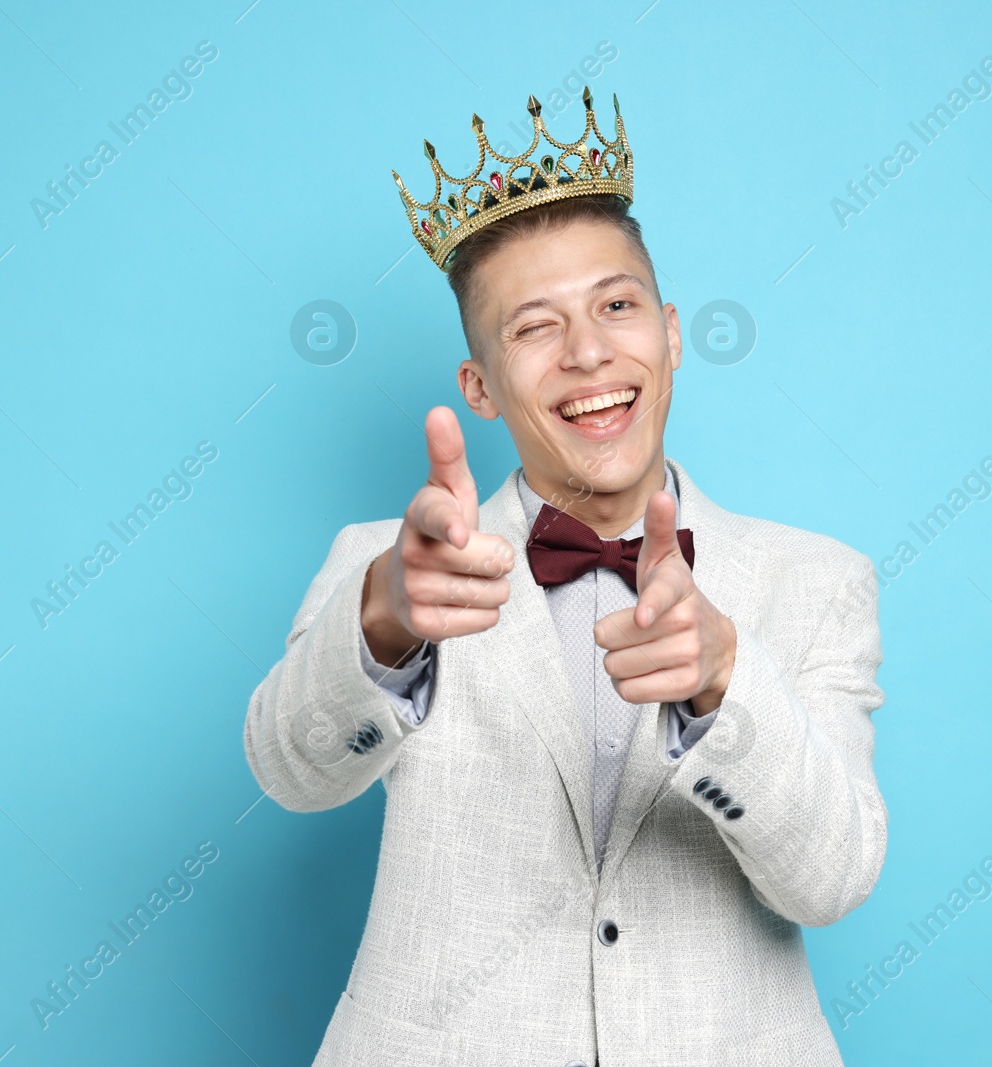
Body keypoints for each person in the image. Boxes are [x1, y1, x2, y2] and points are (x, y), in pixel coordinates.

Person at [244, 88, 887, 1067]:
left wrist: (724, 676)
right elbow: (290, 772)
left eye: (616, 306)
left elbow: (833, 876)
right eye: (534, 327)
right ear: (479, 388)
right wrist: (382, 623)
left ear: (670, 334)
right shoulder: (389, 568)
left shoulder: (815, 579)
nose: (589, 352)